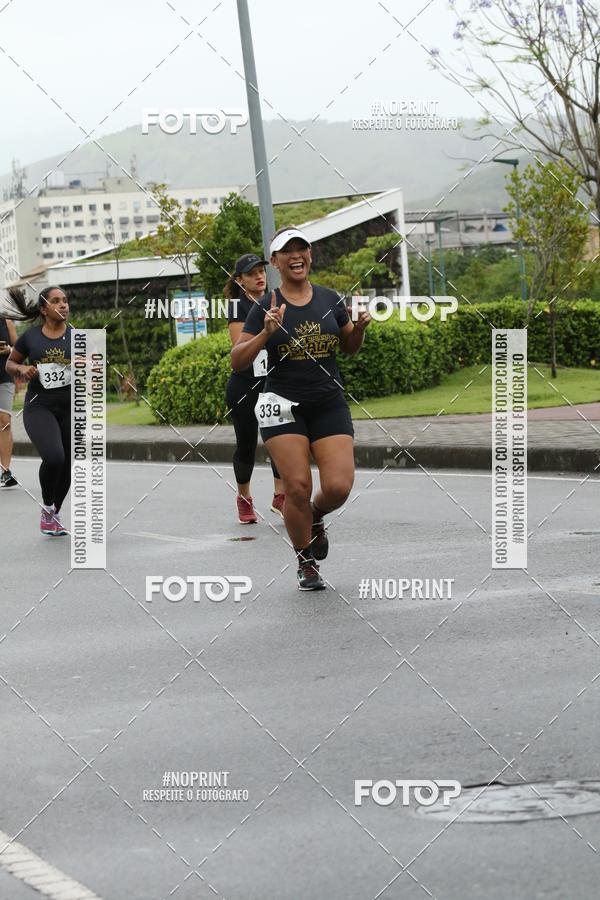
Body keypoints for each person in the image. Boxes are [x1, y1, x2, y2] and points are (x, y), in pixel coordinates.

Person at [231, 227, 372, 591]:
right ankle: (305, 560)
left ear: (310, 255)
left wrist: (359, 328)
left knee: (338, 486)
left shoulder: (329, 298)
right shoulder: (265, 305)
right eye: (286, 251)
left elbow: (349, 347)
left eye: (301, 248)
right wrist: (265, 333)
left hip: (327, 402)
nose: (296, 255)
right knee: (296, 486)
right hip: (281, 405)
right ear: (275, 262)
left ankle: (316, 516)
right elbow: (238, 360)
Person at [4, 286, 72, 536]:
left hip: (71, 408)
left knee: (67, 465)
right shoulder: (30, 337)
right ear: (44, 309)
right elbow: (11, 362)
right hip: (39, 406)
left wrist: (89, 365)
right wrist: (21, 369)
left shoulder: (79, 337)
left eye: (65, 300)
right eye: (56, 301)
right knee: (54, 457)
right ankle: (47, 505)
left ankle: (54, 513)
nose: (63, 305)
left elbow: (97, 369)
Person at [225, 253, 285, 523]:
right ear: (240, 280)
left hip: (275, 383)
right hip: (245, 385)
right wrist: (266, 331)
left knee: (281, 441)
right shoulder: (237, 306)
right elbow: (240, 347)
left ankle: (280, 496)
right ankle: (244, 498)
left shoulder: (276, 299)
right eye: (251, 274)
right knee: (247, 445)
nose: (259, 276)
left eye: (261, 271)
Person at [0, 314, 18, 487]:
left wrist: (10, 350)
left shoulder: (7, 321)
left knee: (4, 421)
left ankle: (6, 472)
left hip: (4, 377)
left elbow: (20, 350)